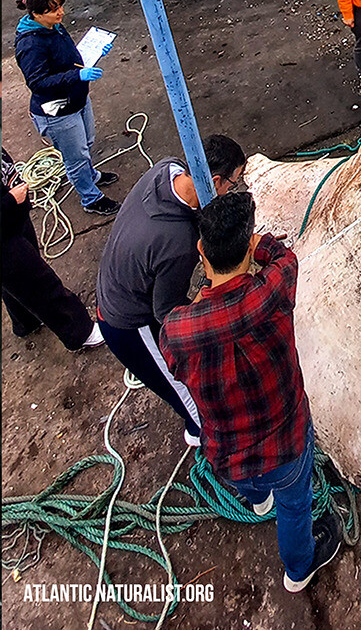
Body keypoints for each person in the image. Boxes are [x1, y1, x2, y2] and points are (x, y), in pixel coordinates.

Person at [159, 192, 343, 592]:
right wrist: (262, 244)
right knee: (295, 508)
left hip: (227, 452)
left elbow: (175, 365)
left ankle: (258, 501)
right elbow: (286, 259)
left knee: (253, 486)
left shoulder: (177, 329)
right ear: (247, 250)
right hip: (286, 443)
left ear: (200, 252)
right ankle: (298, 570)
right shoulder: (272, 293)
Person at [95, 135, 246, 446]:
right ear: (214, 181)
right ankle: (203, 436)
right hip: (128, 322)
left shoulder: (167, 169)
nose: (235, 189)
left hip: (115, 282)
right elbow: (167, 313)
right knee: (185, 390)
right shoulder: (178, 243)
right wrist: (210, 301)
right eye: (234, 183)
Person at [15, 0, 120, 215]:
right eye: (53, 10)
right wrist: (77, 76)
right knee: (75, 157)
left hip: (77, 98)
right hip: (57, 111)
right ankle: (90, 198)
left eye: (60, 6)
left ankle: (90, 176)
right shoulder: (30, 45)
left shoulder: (54, 27)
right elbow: (38, 82)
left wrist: (93, 54)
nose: (61, 12)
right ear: (36, 15)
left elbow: (67, 58)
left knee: (87, 142)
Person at [2, 147, 104, 351]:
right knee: (37, 282)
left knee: (15, 282)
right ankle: (80, 332)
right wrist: (11, 201)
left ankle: (26, 321)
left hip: (13, 218)